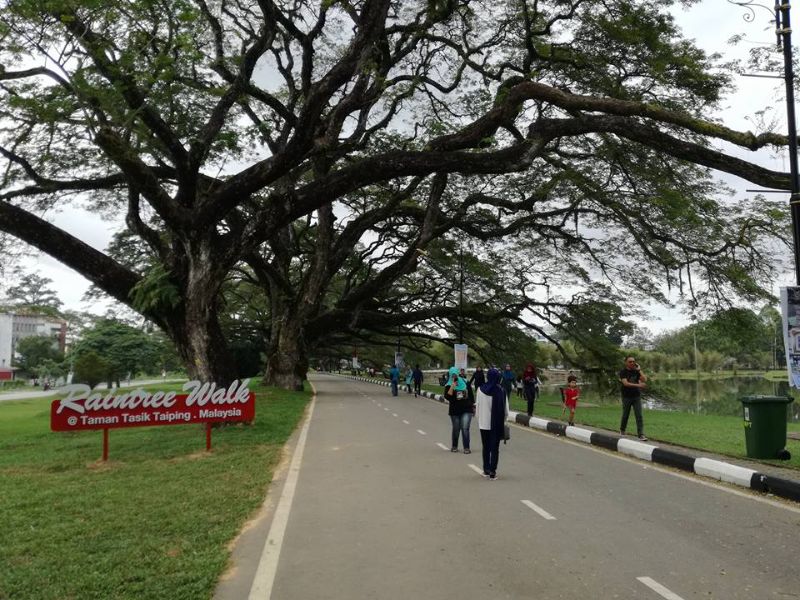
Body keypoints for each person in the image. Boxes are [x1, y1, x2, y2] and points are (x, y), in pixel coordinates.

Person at [476, 368, 508, 480]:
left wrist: (480, 419)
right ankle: (493, 472)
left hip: (483, 424)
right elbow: (506, 411)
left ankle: (486, 469)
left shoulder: (480, 390)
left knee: (486, 447)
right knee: (495, 448)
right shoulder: (501, 390)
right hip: (496, 424)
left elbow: (478, 408)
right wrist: (502, 420)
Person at [445, 366, 474, 453]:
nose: (454, 376)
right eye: (452, 375)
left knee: (465, 428)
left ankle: (466, 448)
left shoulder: (465, 382)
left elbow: (471, 396)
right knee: (456, 428)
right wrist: (452, 386)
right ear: (450, 375)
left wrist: (473, 406)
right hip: (455, 410)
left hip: (466, 409)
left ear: (458, 374)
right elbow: (447, 397)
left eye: (455, 375)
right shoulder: (448, 385)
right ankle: (454, 446)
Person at [619, 356, 648, 441]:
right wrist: (639, 385)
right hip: (626, 396)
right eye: (630, 361)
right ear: (626, 363)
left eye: (633, 361)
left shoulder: (636, 371)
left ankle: (641, 434)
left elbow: (644, 379)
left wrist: (639, 370)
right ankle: (622, 430)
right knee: (625, 414)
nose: (632, 363)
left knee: (639, 415)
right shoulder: (623, 372)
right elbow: (626, 383)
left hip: (636, 396)